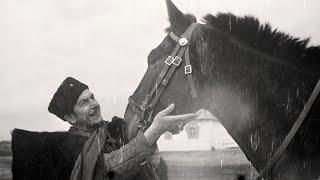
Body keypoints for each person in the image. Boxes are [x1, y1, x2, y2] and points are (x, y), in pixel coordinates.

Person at [47, 77, 199, 180]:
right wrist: (155, 131)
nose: (94, 104)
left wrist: (163, 128)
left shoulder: (117, 127)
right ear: (71, 118)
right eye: (84, 102)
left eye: (92, 97)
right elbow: (108, 168)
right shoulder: (69, 148)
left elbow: (146, 153)